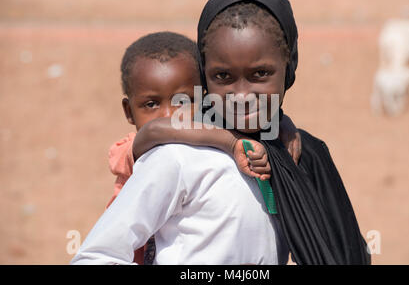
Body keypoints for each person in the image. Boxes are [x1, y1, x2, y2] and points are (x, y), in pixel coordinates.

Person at [72, 31, 299, 264]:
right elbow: (156, 130)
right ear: (129, 111)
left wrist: (282, 123)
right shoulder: (149, 152)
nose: (169, 115)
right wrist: (230, 142)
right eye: (151, 104)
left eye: (184, 101)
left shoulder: (212, 150)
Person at [196, 0, 371, 264]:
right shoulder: (180, 153)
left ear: (290, 65)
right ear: (203, 74)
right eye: (223, 75)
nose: (241, 96)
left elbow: (345, 250)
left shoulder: (303, 154)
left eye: (260, 73)